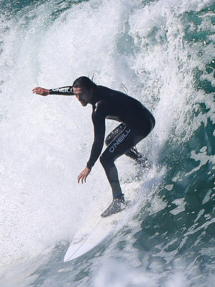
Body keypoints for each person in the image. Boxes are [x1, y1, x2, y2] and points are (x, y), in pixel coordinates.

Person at [33, 77, 154, 217]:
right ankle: (143, 162)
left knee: (106, 158)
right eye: (76, 94)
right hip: (140, 117)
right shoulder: (94, 91)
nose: (78, 98)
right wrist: (49, 91)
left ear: (91, 90)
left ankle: (119, 201)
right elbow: (73, 89)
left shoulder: (99, 107)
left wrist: (88, 166)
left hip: (141, 124)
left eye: (81, 94)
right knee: (110, 141)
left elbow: (98, 141)